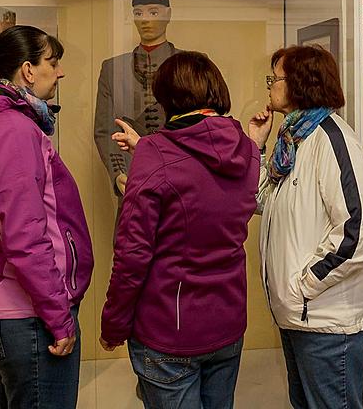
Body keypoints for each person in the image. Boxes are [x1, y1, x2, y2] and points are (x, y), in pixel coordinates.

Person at [100, 51, 259, 409]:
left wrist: (113, 324)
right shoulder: (248, 150)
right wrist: (146, 148)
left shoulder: (156, 155)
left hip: (169, 332)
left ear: (167, 98)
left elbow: (132, 255)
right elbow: (203, 184)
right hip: (227, 325)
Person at [0, 25, 94, 409]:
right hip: (27, 314)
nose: (60, 72)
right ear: (28, 71)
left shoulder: (6, 123)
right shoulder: (13, 129)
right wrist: (59, 317)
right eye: (53, 61)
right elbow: (25, 237)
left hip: (19, 309)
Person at [248, 45, 363, 409]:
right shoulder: (293, 139)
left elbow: (358, 235)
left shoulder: (332, 140)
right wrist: (257, 149)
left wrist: (302, 287)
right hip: (300, 317)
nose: (270, 86)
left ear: (299, 84)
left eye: (274, 79)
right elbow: (260, 200)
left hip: (326, 322)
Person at [94, 0, 181, 197]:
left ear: (168, 14)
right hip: (133, 184)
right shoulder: (112, 68)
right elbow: (106, 131)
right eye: (138, 13)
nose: (145, 20)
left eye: (153, 12)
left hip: (181, 182)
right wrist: (119, 173)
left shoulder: (189, 64)